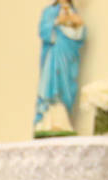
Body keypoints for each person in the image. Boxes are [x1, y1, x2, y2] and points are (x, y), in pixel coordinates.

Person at [34, 0, 85, 136]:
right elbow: (44, 31)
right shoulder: (50, 11)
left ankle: (63, 122)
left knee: (66, 87)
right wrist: (57, 21)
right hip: (55, 54)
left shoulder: (74, 12)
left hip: (69, 56)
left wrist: (79, 25)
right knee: (52, 84)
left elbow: (80, 37)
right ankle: (48, 122)